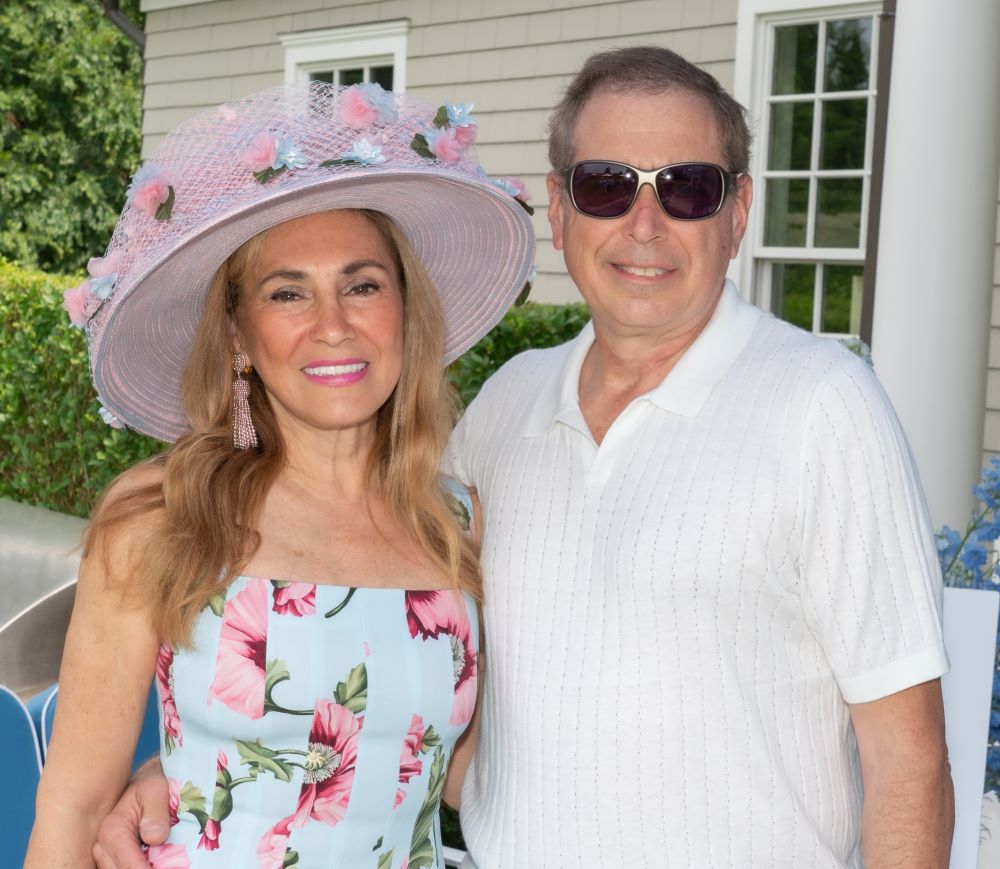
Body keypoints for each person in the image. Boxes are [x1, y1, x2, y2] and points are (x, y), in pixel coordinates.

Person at [94, 46, 954, 869]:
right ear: (561, 205)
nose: (644, 223)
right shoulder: (503, 413)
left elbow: (909, 765)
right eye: (607, 185)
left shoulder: (823, 409)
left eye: (688, 188)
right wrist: (205, 761)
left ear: (738, 212)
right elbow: (423, 678)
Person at [26, 80, 534, 869]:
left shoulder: (456, 519)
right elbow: (74, 804)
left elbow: (471, 771)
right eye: (287, 292)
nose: (333, 325)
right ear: (238, 332)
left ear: (405, 310)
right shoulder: (161, 519)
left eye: (363, 285)